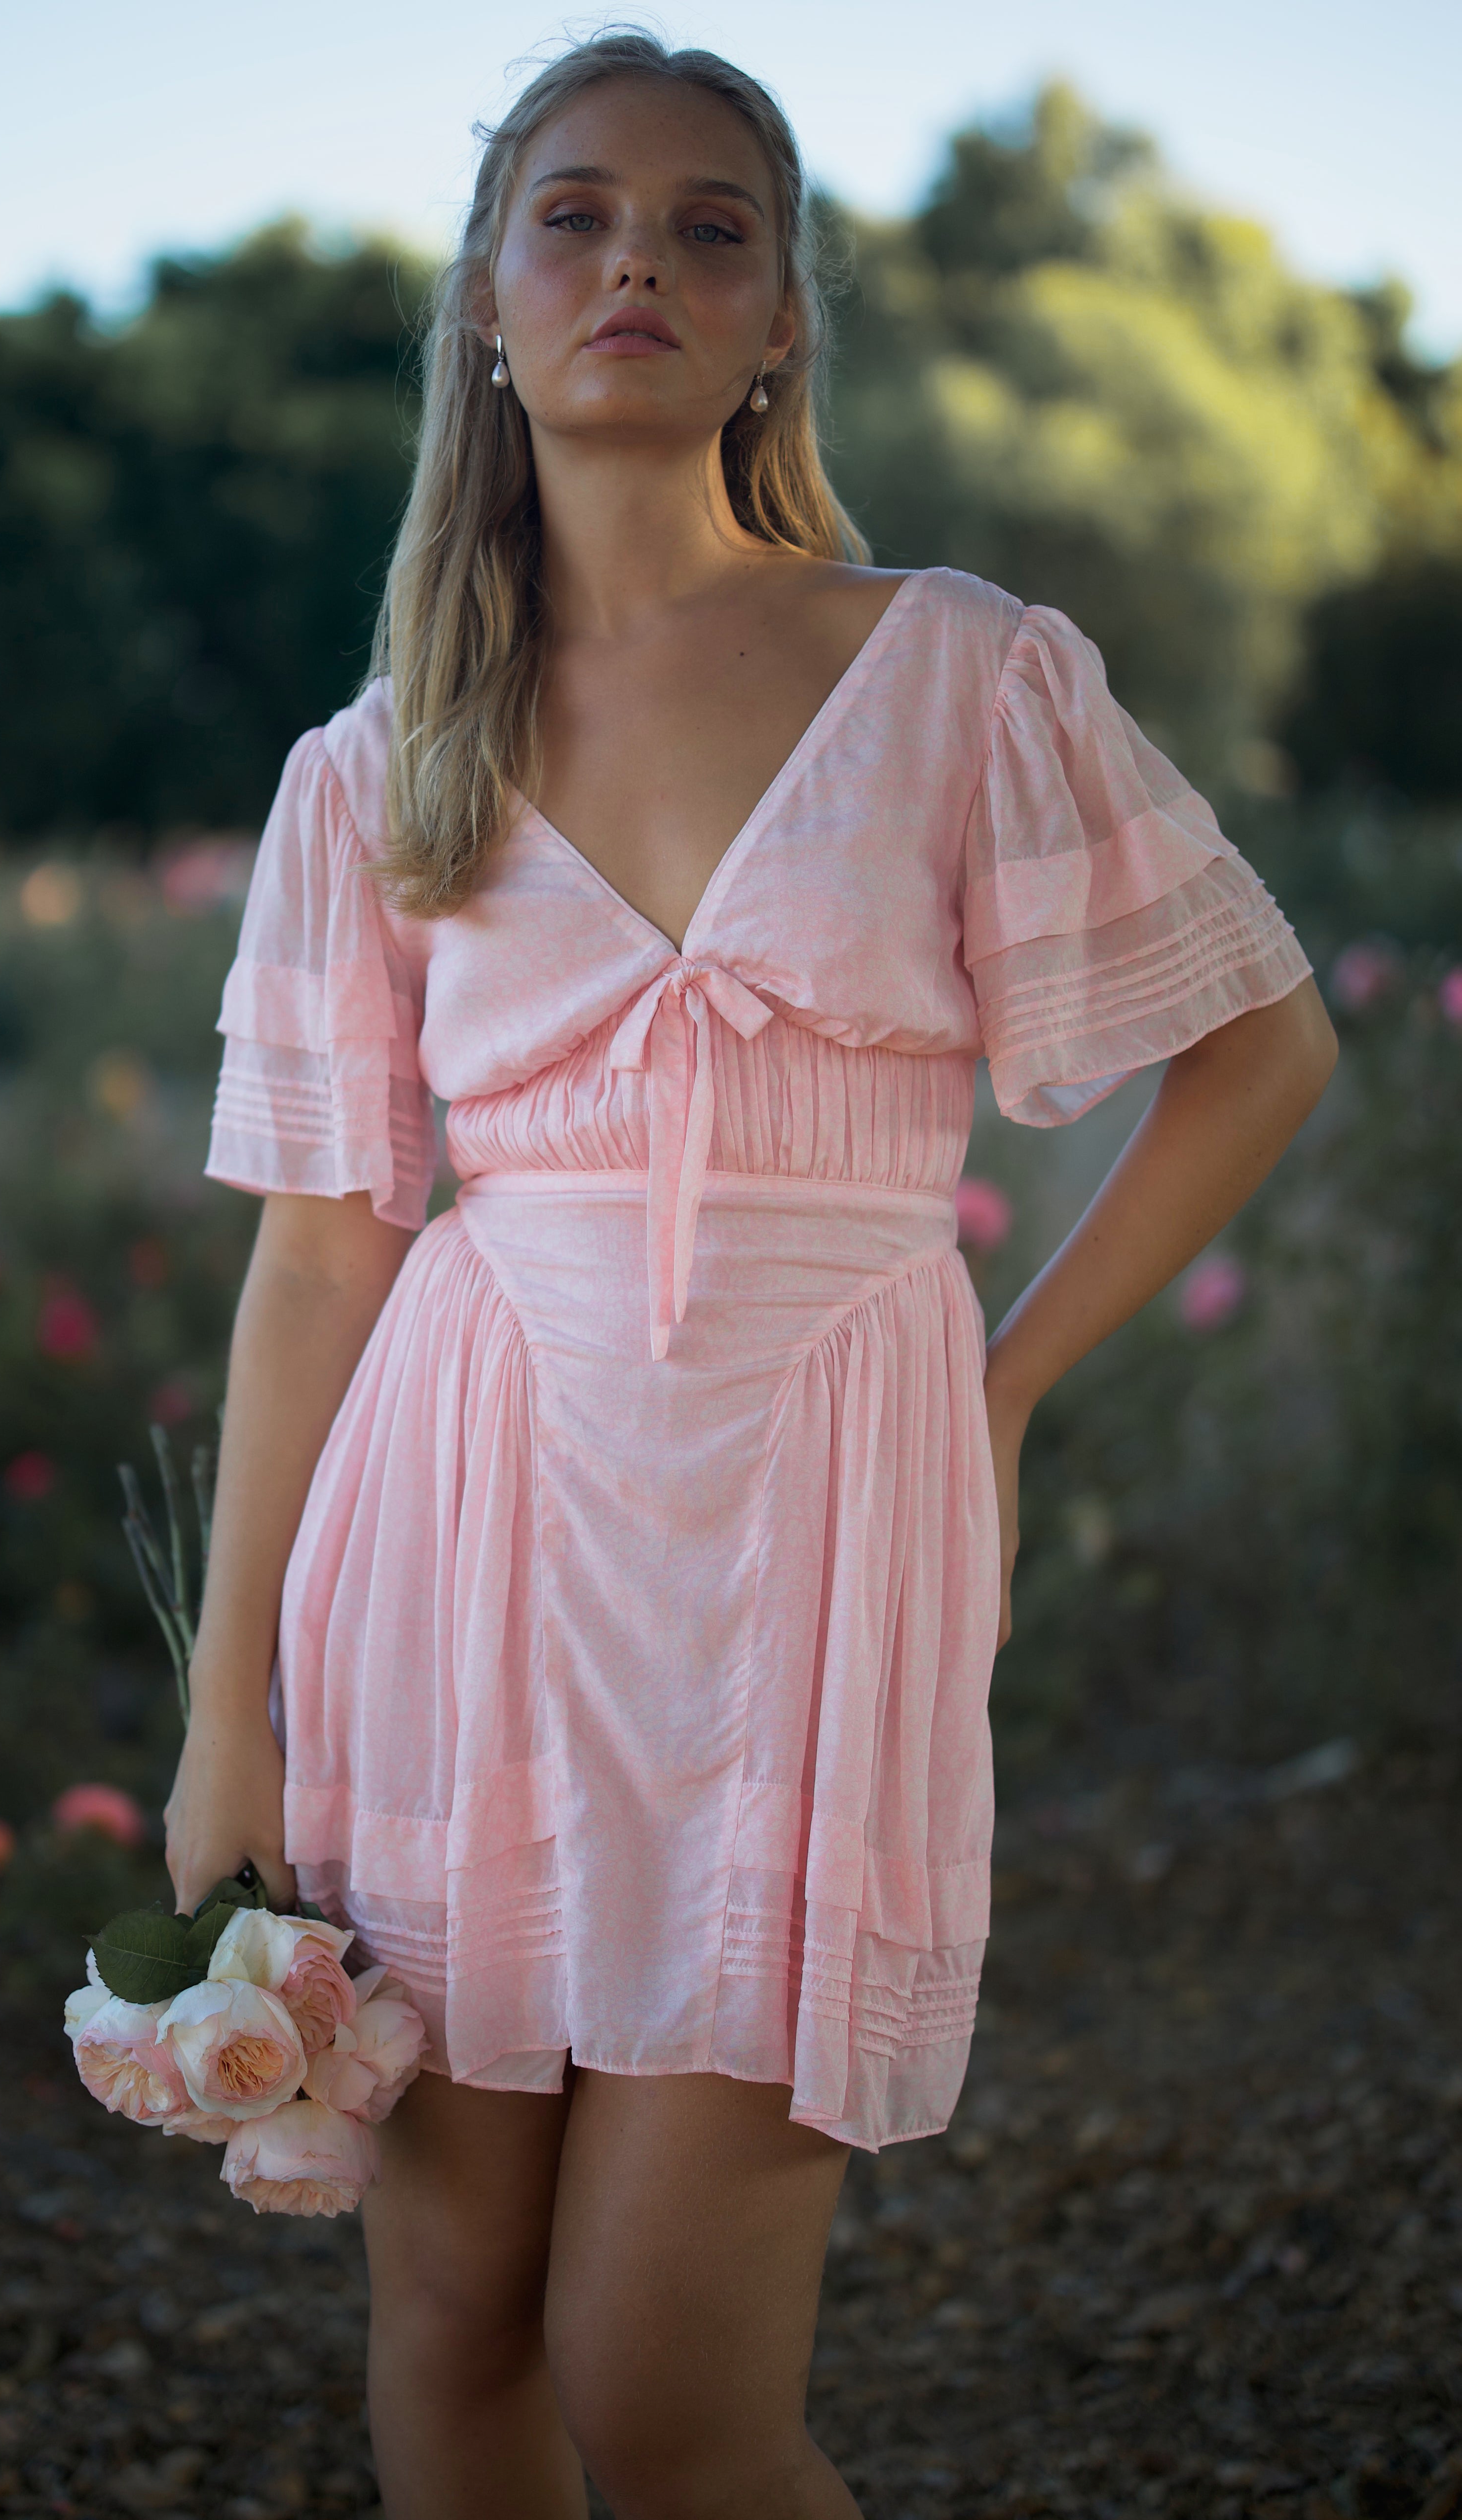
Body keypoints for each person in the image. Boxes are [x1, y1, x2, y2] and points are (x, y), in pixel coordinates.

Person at [163, 32, 1337, 2519]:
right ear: (489, 300)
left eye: (715, 228)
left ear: (784, 319)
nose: (642, 266)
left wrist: (1003, 1388)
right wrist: (224, 1708)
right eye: (577, 216)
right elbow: (322, 1252)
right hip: (465, 1554)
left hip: (813, 1543)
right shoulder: (381, 761)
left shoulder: (958, 668)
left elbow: (1261, 1047)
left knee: (667, 2388)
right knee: (460, 2315)